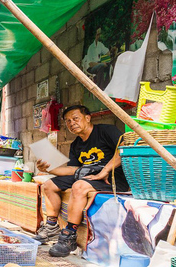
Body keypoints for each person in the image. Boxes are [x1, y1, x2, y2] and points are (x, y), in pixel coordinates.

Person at [35, 105, 128, 257]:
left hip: (112, 177)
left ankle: (69, 235)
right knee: (49, 184)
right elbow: (73, 170)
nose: (72, 123)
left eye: (75, 118)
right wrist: (48, 170)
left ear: (87, 118)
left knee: (79, 186)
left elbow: (123, 149)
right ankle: (51, 227)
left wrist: (104, 171)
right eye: (68, 121)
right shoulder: (76, 144)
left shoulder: (106, 131)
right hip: (88, 175)